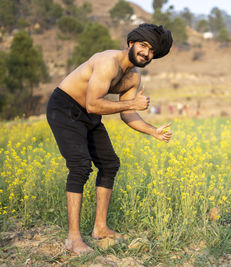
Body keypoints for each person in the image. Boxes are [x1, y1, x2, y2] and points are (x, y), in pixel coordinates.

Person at [46, 24, 173, 254]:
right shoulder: (107, 62)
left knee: (109, 164)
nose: (146, 53)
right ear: (131, 43)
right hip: (65, 107)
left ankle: (100, 228)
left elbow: (127, 114)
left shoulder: (134, 78)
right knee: (80, 166)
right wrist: (132, 103)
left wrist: (153, 131)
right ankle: (73, 239)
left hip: (90, 113)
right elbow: (93, 103)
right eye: (143, 46)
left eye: (152, 51)